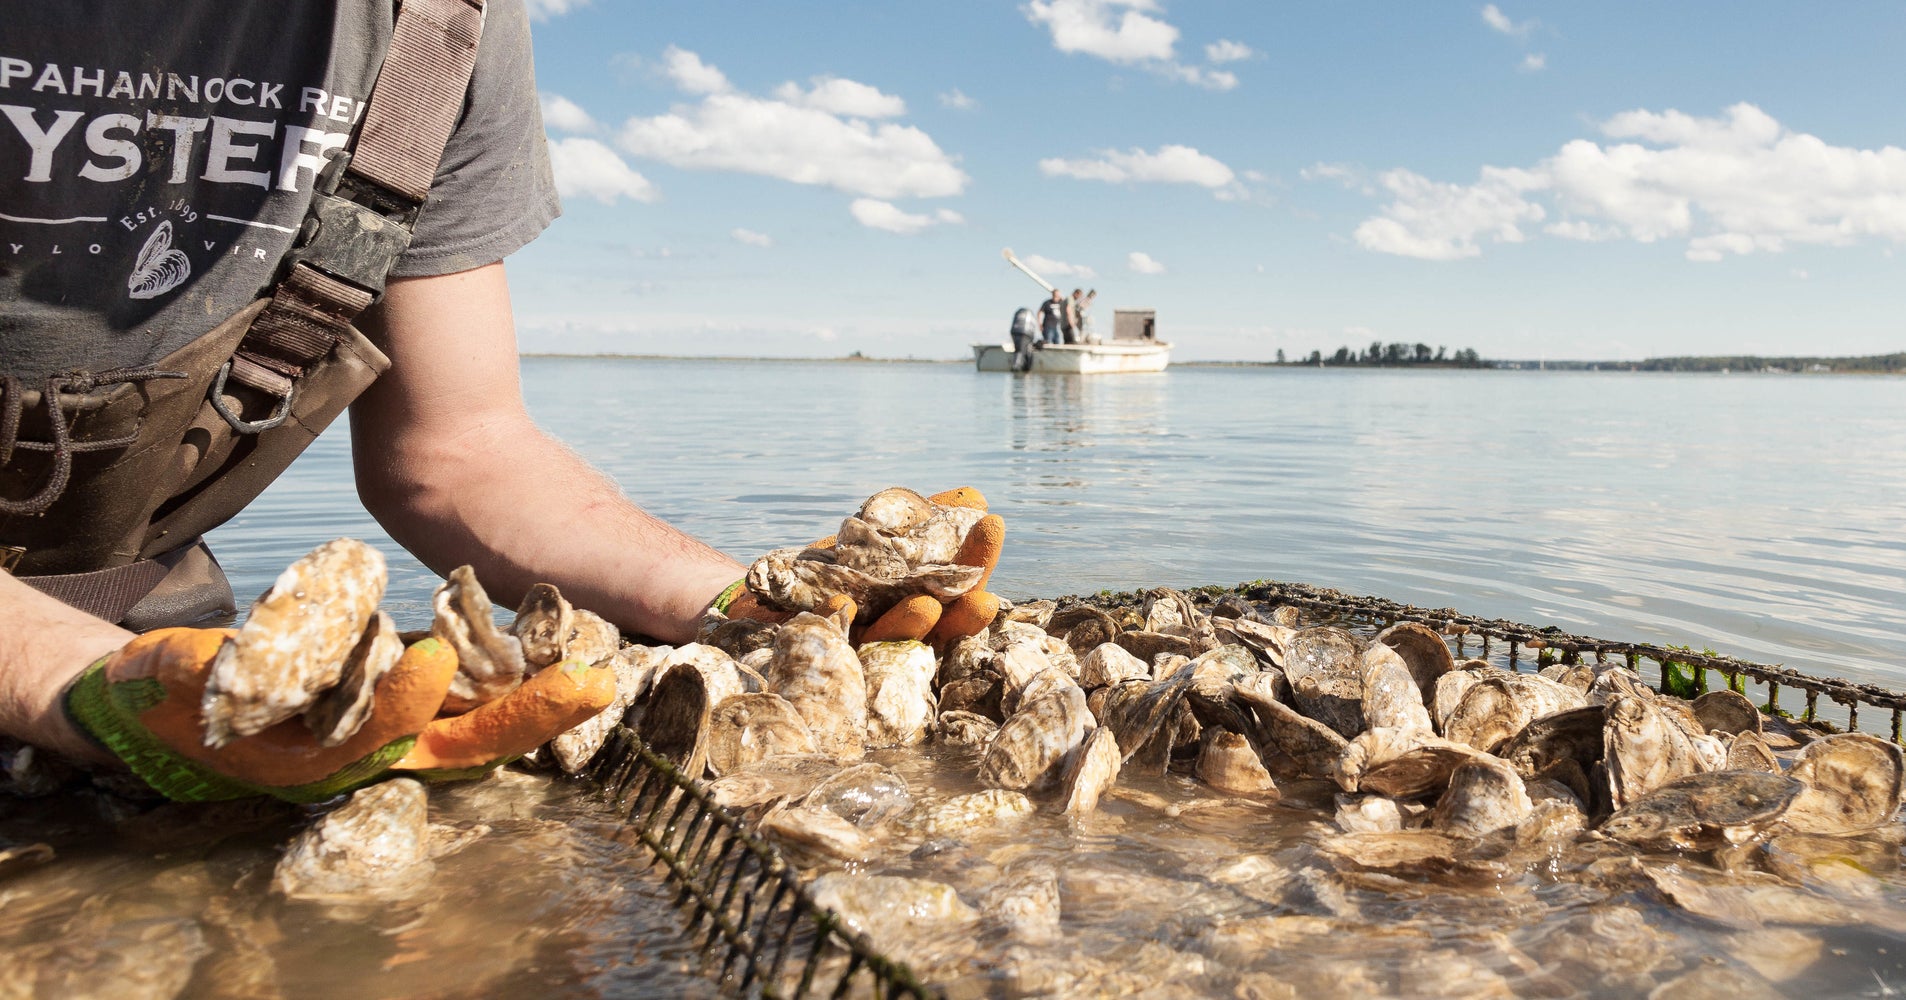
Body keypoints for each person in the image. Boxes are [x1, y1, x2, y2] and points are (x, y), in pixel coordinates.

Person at [0, 2, 998, 796]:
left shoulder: (438, 28)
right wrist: (55, 677)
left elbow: (462, 452)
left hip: (133, 611)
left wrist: (745, 605)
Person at [1008, 305, 1037, 372]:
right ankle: (1017, 366)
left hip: (1018, 332)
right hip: (1025, 333)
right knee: (1021, 349)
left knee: (1021, 349)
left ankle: (1018, 366)